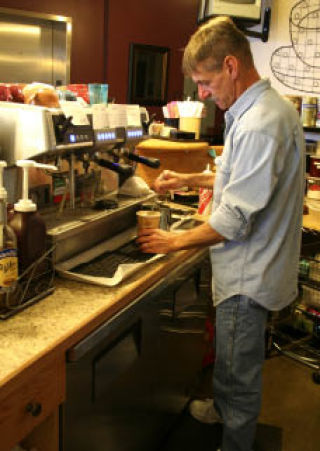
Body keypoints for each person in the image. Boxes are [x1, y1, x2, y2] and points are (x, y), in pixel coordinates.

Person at [137, 16, 305, 451]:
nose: (203, 95)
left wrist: (173, 242)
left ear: (231, 65)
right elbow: (246, 179)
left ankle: (236, 439)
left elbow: (235, 219)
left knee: (239, 370)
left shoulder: (258, 123)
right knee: (233, 361)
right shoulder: (263, 108)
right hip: (258, 265)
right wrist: (192, 181)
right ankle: (223, 410)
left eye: (205, 83)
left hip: (248, 277)